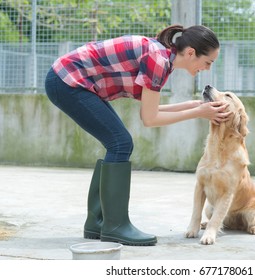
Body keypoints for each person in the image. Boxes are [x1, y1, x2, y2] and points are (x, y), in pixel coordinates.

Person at [44, 24, 231, 246]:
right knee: (120, 143)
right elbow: (150, 120)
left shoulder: (162, 58)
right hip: (67, 81)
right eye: (207, 62)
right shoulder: (158, 60)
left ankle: (98, 222)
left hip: (72, 81)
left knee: (117, 142)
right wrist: (197, 112)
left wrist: (192, 107)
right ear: (191, 52)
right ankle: (115, 226)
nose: (207, 69)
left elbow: (149, 111)